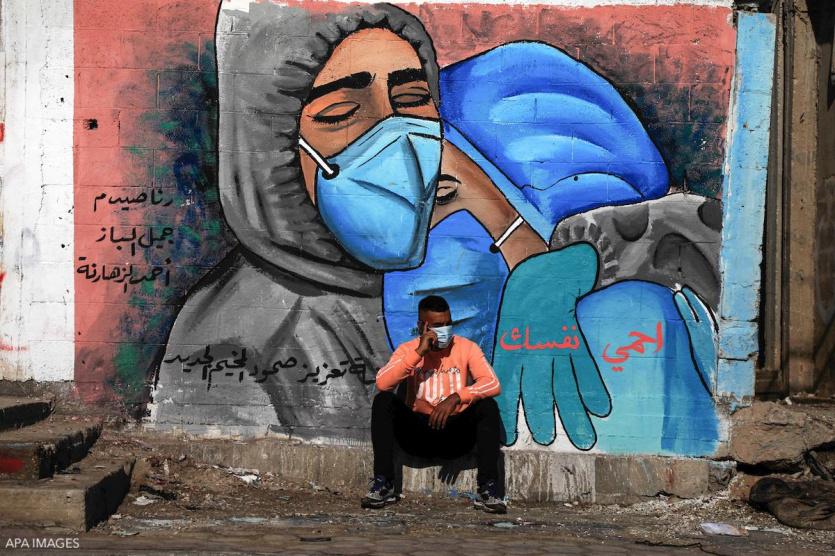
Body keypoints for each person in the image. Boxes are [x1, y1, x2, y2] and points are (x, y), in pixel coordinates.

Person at [363, 295, 505, 513]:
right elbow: (383, 383)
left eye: (448, 323)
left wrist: (457, 397)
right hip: (418, 434)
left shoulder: (466, 348)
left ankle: (488, 488)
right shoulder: (408, 350)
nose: (444, 330)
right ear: (423, 326)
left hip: (455, 434)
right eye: (438, 326)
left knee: (488, 406)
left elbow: (493, 384)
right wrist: (419, 353)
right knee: (383, 401)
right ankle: (383, 483)